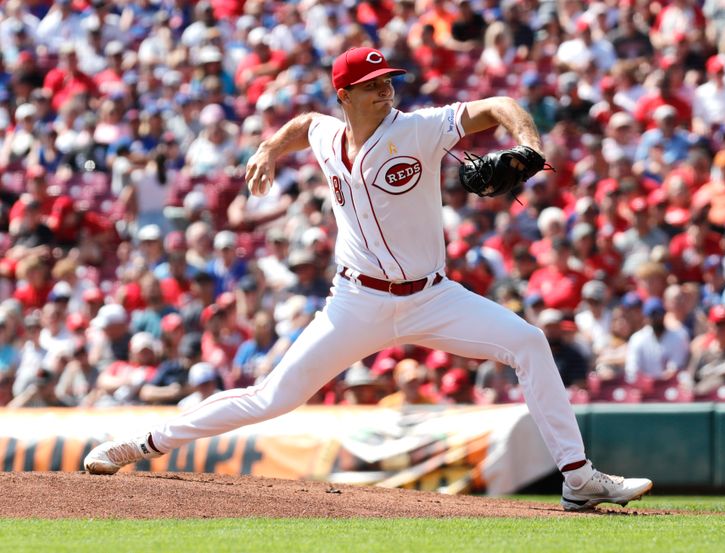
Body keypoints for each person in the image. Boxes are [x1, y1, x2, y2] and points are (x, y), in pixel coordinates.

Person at [84, 47, 652, 511]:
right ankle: (143, 443)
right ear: (345, 94)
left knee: (529, 342)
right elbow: (304, 124)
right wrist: (266, 148)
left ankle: (578, 478)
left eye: (389, 80)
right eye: (373, 82)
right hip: (354, 302)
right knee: (271, 398)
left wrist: (529, 144)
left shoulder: (421, 129)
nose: (385, 89)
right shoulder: (328, 134)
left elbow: (499, 104)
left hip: (433, 297)